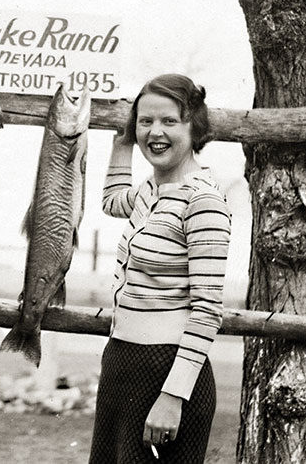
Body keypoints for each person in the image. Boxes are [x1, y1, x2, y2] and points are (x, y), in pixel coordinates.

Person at [88, 74, 231, 463]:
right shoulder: (150, 191)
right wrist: (121, 145)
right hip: (122, 362)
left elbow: (206, 311)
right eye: (145, 121)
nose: (155, 132)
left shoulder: (203, 202)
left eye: (169, 121)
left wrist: (172, 397)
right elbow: (113, 200)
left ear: (194, 126)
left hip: (168, 373)